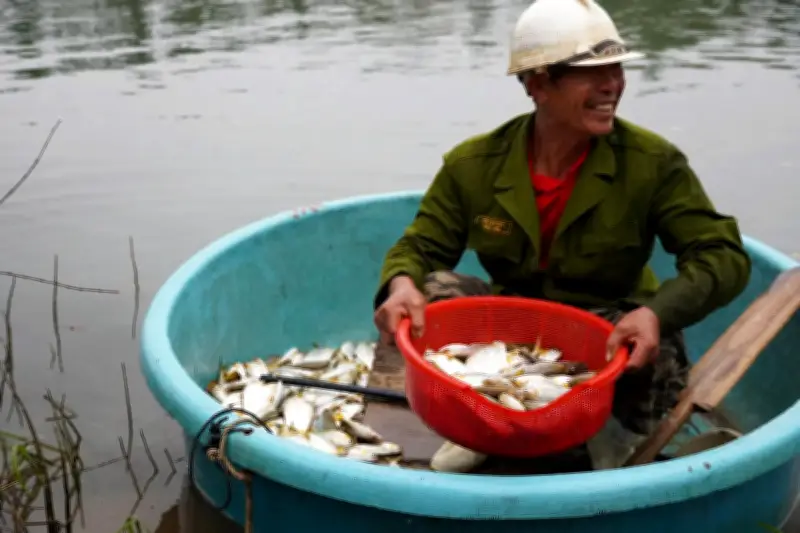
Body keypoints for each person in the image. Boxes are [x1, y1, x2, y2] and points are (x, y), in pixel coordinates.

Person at [371, 0, 751, 470]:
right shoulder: (474, 164)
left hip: (607, 336)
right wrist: (400, 284)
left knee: (659, 343)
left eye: (616, 69)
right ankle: (494, 416)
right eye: (591, 73)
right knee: (434, 291)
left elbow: (722, 255)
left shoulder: (653, 163)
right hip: (513, 336)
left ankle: (615, 442)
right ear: (538, 84)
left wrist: (655, 313)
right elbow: (421, 246)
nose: (612, 85)